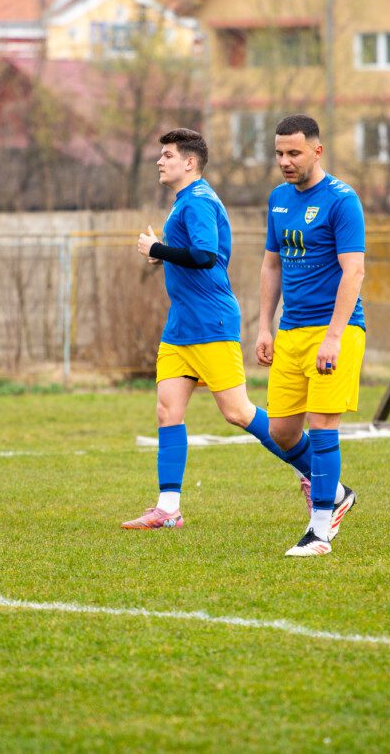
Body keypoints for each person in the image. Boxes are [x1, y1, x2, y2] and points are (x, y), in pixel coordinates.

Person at [121, 128, 317, 530]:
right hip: (180, 327)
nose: (160, 161)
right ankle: (168, 509)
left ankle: (319, 475)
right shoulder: (185, 201)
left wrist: (156, 249)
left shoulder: (198, 200)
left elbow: (206, 256)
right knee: (167, 411)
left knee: (238, 412)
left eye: (168, 155)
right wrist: (163, 257)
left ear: (190, 162)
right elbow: (193, 255)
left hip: (211, 323)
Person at [257, 114, 365, 557]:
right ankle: (335, 493)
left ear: (317, 151)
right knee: (282, 432)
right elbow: (271, 265)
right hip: (291, 331)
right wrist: (264, 326)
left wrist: (334, 337)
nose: (285, 161)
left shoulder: (342, 200)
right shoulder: (278, 199)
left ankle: (320, 531)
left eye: (294, 153)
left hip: (335, 331)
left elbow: (353, 271)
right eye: (279, 153)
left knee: (321, 427)